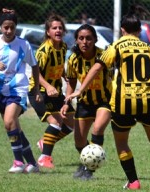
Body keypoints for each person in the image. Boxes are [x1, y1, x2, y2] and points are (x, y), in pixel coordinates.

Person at [65, 7, 150, 190]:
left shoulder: (116, 46)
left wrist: (80, 89)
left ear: (122, 30)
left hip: (123, 102)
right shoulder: (148, 48)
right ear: (139, 31)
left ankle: (133, 181)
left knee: (122, 142)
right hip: (149, 100)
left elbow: (96, 68)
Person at [0, 8, 42, 173]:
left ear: (16, 27)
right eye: (5, 27)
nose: (8, 31)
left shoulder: (23, 44)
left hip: (18, 89)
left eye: (12, 27)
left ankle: (18, 162)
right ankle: (32, 163)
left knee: (9, 121)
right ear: (0, 27)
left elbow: (34, 66)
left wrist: (35, 89)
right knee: (13, 127)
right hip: (1, 90)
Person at [60, 24, 112, 180]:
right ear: (76, 40)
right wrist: (66, 102)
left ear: (95, 39)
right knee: (79, 142)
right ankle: (86, 163)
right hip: (84, 102)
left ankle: (89, 170)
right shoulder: (73, 59)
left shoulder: (103, 56)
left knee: (97, 130)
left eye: (89, 38)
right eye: (81, 38)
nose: (85, 42)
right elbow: (71, 82)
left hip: (105, 101)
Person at [28, 13, 75, 169]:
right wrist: (47, 87)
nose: (58, 30)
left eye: (60, 28)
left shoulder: (63, 47)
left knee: (72, 123)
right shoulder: (43, 50)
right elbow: (36, 73)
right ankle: (44, 157)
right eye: (54, 28)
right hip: (39, 91)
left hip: (55, 92)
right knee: (55, 122)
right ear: (48, 32)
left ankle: (45, 142)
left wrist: (64, 76)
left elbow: (58, 66)